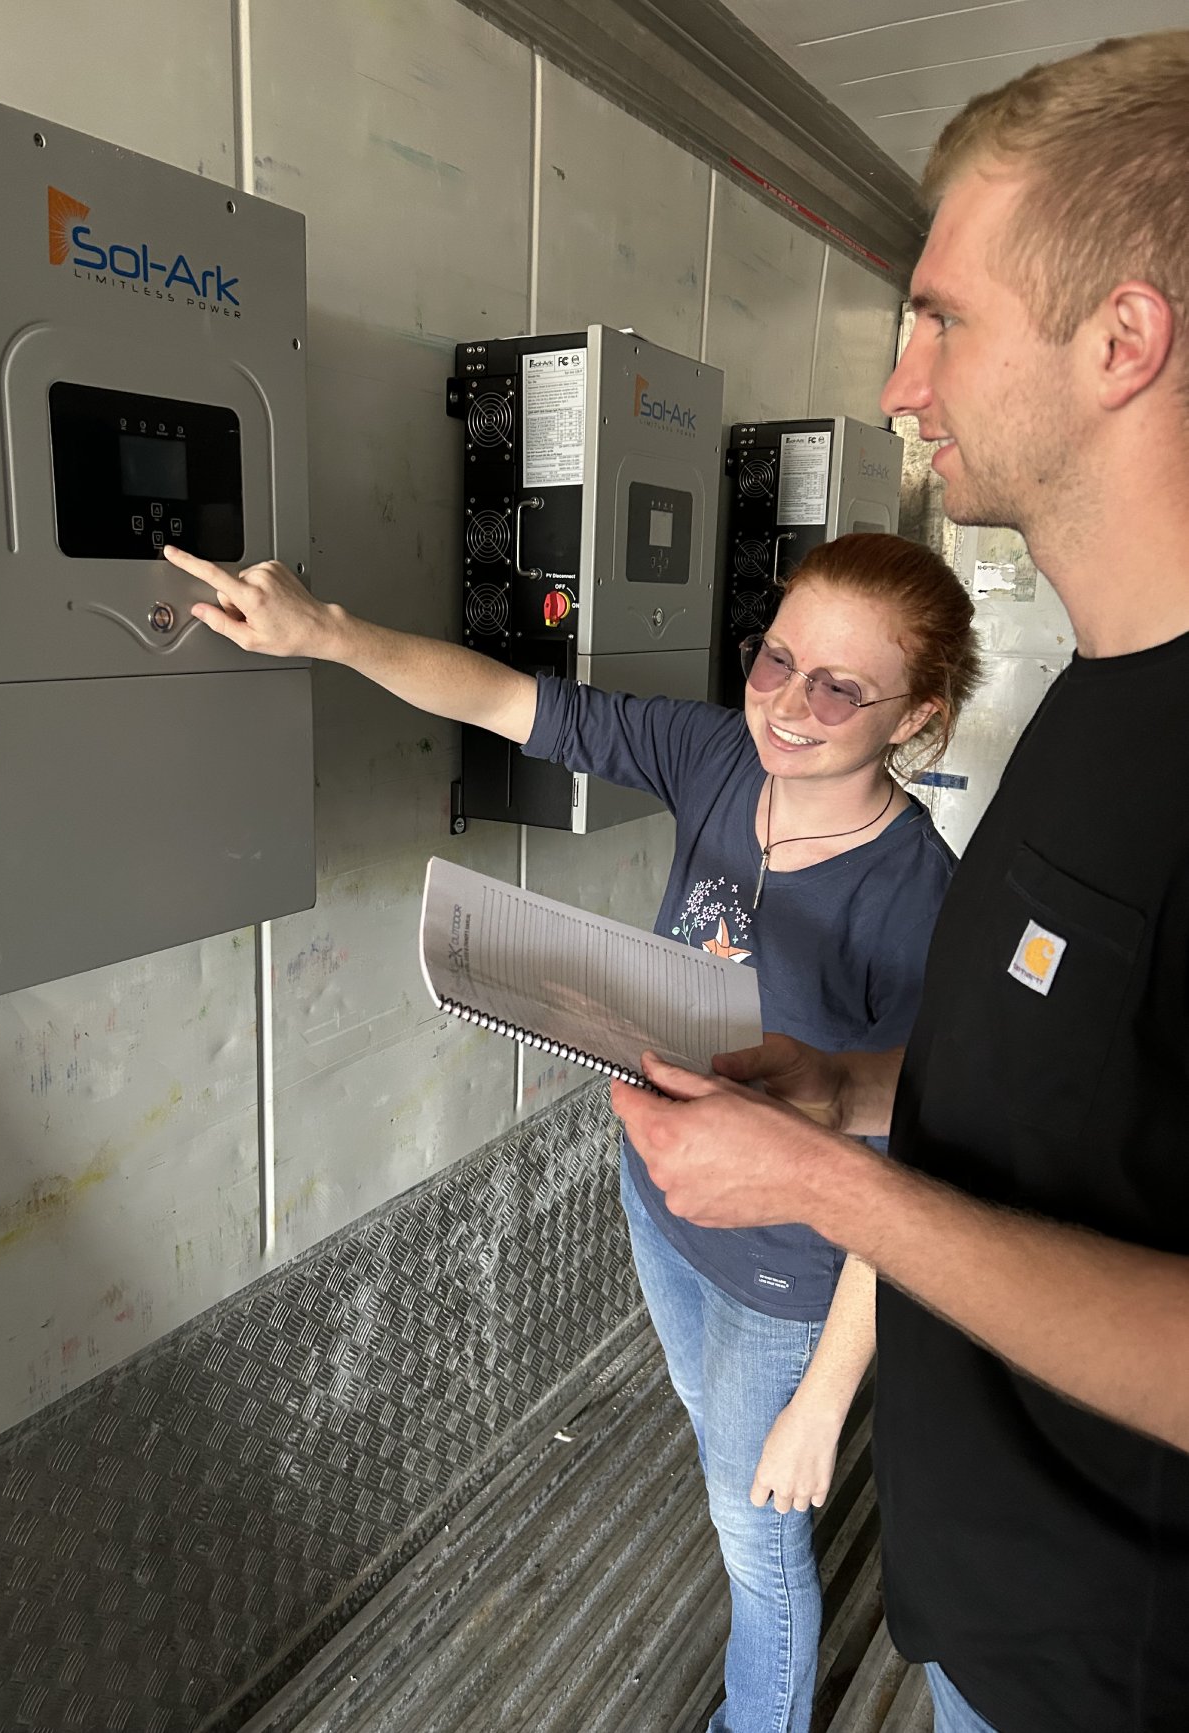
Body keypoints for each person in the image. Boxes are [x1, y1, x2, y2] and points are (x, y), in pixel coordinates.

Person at [611, 29, 1189, 1733]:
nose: (897, 384)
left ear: (1122, 338)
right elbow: (1092, 1088)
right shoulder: (1098, 701)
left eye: (940, 316)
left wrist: (831, 1183)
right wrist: (848, 1081)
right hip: (988, 1628)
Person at [163, 530, 979, 1733]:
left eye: (839, 687)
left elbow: (916, 1165)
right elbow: (508, 701)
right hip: (662, 1205)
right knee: (720, 1455)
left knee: (757, 1541)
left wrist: (823, 1397)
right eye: (775, 659)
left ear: (918, 715)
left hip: (787, 1273)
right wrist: (325, 634)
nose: (787, 705)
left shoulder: (917, 896)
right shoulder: (715, 755)